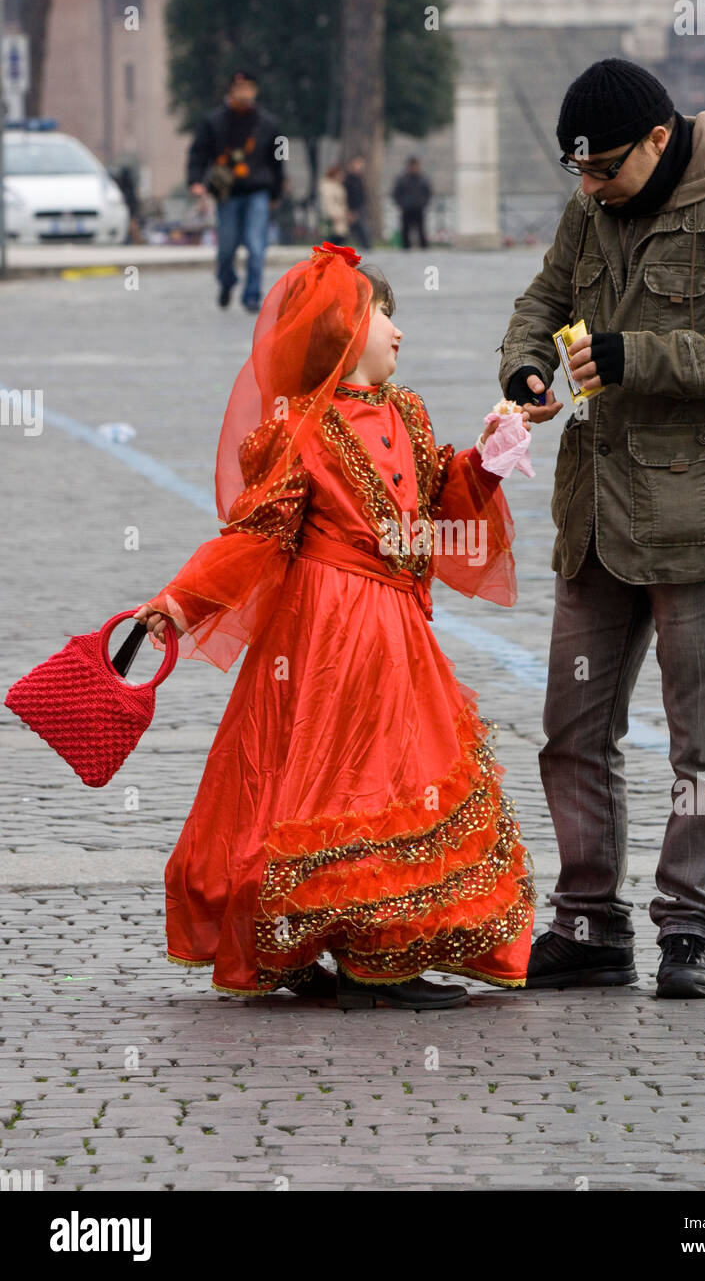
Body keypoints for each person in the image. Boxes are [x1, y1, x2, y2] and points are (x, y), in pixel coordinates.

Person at [133, 242, 535, 1009]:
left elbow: (440, 506)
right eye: (387, 315)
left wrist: (487, 458)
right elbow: (254, 535)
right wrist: (183, 601)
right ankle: (361, 949)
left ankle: (366, 942)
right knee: (343, 781)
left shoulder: (407, 412)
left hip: (396, 630)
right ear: (347, 330)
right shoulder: (298, 431)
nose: (399, 333)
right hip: (323, 635)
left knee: (392, 777)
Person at [498, 57, 705, 999]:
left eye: (605, 170)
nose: (590, 189)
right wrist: (524, 371)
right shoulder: (589, 204)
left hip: (700, 519)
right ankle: (590, 922)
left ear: (661, 141)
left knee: (702, 744)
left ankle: (690, 926)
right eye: (578, 173)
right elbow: (540, 303)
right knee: (570, 731)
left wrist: (640, 356)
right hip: (595, 515)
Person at [188, 69, 285, 312]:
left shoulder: (269, 124)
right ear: (231, 90)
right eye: (240, 88)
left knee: (256, 245)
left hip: (258, 190)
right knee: (226, 247)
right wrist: (196, 180)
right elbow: (199, 152)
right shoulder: (214, 121)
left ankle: (252, 295)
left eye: (249, 88)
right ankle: (227, 281)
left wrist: (276, 192)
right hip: (226, 191)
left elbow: (278, 160)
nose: (245, 93)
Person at [392, 157, 432, 248]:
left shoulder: (423, 179)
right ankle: (406, 247)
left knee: (421, 230)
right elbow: (396, 193)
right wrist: (401, 204)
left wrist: (424, 203)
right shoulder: (402, 179)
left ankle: (424, 247)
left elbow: (428, 193)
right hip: (406, 208)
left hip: (419, 208)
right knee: (405, 230)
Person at [317, 164, 350, 244]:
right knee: (331, 237)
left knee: (341, 236)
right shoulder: (327, 186)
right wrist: (332, 214)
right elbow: (328, 202)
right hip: (332, 216)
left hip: (340, 216)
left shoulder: (338, 185)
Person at [345, 154, 371, 248]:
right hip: (353, 209)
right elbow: (349, 196)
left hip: (359, 208)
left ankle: (366, 247)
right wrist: (351, 210)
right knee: (359, 230)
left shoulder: (358, 179)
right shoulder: (349, 179)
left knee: (357, 230)